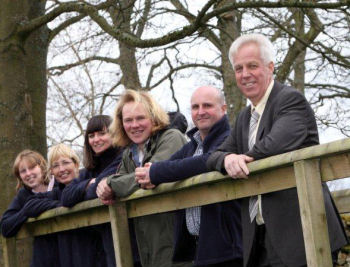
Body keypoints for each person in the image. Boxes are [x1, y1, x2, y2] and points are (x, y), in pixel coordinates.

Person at [207, 33, 347, 267]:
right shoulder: (244, 117)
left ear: (270, 67)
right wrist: (228, 159)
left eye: (252, 66)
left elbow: (274, 145)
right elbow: (213, 155)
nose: (245, 74)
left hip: (302, 236)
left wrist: (240, 158)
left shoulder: (291, 100)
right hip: (260, 240)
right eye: (239, 68)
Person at [135, 86, 242, 267]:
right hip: (199, 249)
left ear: (223, 109)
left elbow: (204, 162)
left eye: (207, 105)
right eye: (195, 107)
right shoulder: (191, 146)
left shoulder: (230, 137)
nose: (200, 112)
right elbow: (169, 165)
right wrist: (151, 173)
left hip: (228, 249)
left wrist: (155, 173)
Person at [96, 89, 191, 267]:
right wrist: (105, 187)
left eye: (140, 118)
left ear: (153, 118)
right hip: (148, 248)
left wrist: (109, 182)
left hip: (179, 247)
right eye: (128, 120)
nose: (134, 125)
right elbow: (123, 183)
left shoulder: (172, 138)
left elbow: (147, 177)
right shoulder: (129, 153)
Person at [60, 115, 128, 267]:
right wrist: (88, 184)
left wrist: (90, 186)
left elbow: (97, 190)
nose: (96, 139)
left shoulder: (123, 158)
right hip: (100, 246)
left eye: (102, 133)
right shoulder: (89, 170)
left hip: (125, 241)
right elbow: (65, 197)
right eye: (91, 136)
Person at [0, 150, 59, 267]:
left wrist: (38, 206)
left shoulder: (58, 183)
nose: (28, 173)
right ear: (20, 176)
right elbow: (5, 227)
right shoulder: (24, 195)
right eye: (23, 171)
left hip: (69, 251)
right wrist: (26, 212)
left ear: (41, 167)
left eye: (32, 168)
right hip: (43, 257)